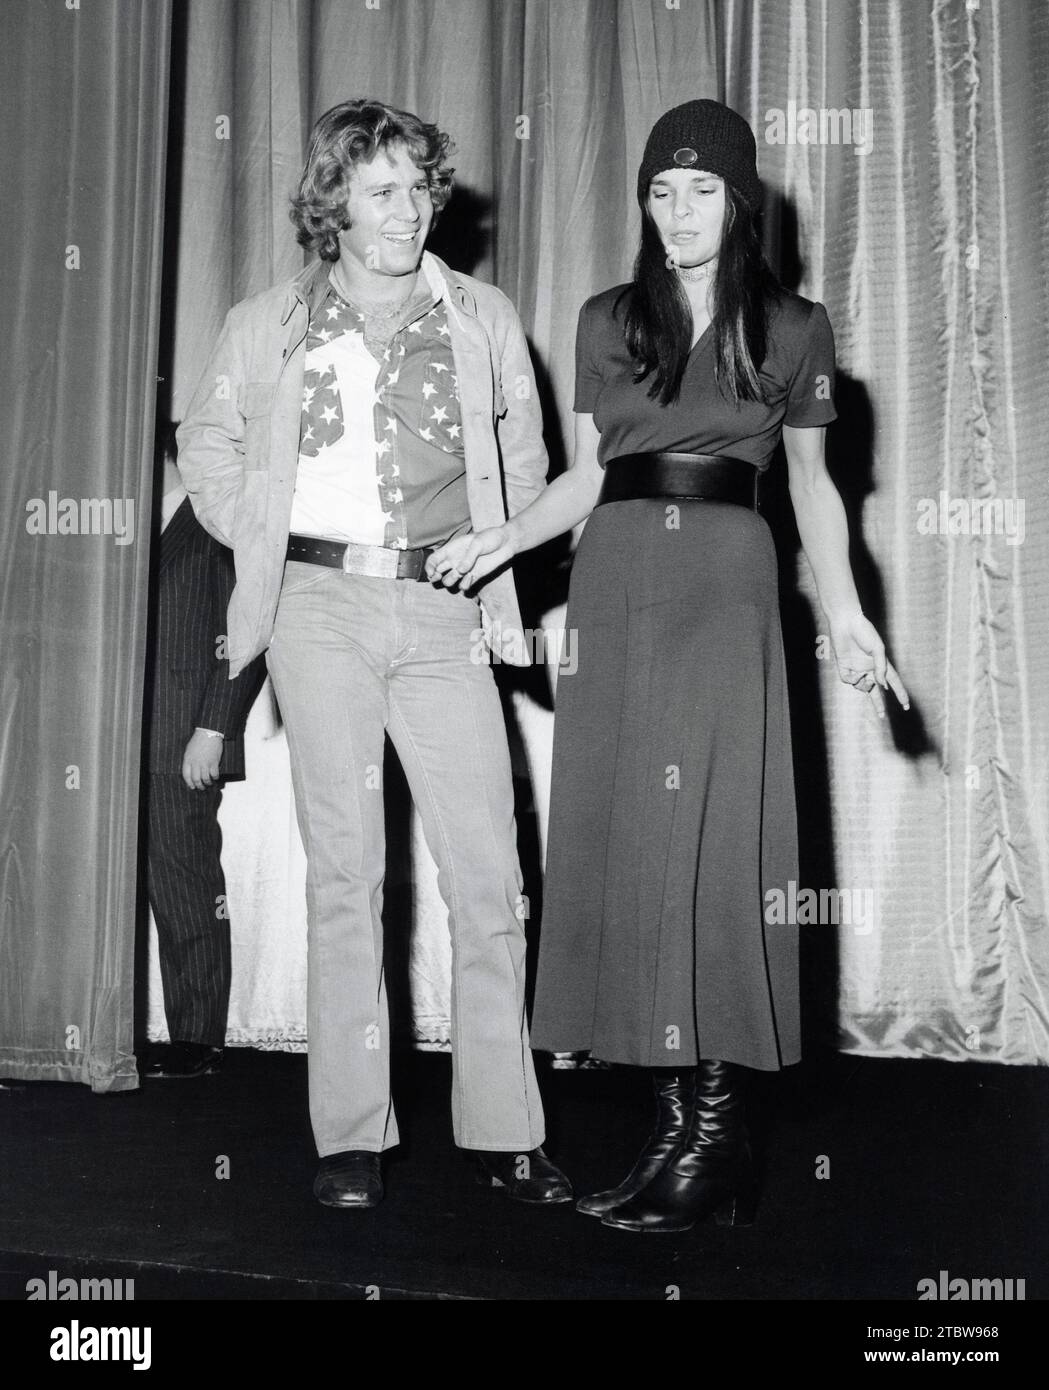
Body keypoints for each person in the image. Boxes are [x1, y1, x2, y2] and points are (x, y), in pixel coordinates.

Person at [427, 99, 908, 1233]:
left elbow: (811, 488)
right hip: (616, 579)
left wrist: (844, 616)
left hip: (723, 585)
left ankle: (716, 1136)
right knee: (628, 843)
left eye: (699, 191)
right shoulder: (608, 318)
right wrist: (506, 535)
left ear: (739, 202)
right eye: (658, 191)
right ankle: (674, 1131)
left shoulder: (792, 326)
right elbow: (596, 475)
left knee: (710, 846)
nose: (677, 213)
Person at [177, 99, 571, 1210]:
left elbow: (529, 461)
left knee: (490, 877)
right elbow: (207, 436)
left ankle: (503, 1130)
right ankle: (352, 1135)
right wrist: (254, 526)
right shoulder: (269, 319)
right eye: (383, 191)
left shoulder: (480, 314)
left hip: (446, 613)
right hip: (318, 609)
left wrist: (498, 548)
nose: (410, 212)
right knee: (348, 875)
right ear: (334, 204)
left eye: (421, 188)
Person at [143, 421, 264, 1080]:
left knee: (186, 886)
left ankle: (197, 1039)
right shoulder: (120, 526)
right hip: (111, 748)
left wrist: (213, 729)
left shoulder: (217, 522)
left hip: (181, 740)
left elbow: (246, 634)